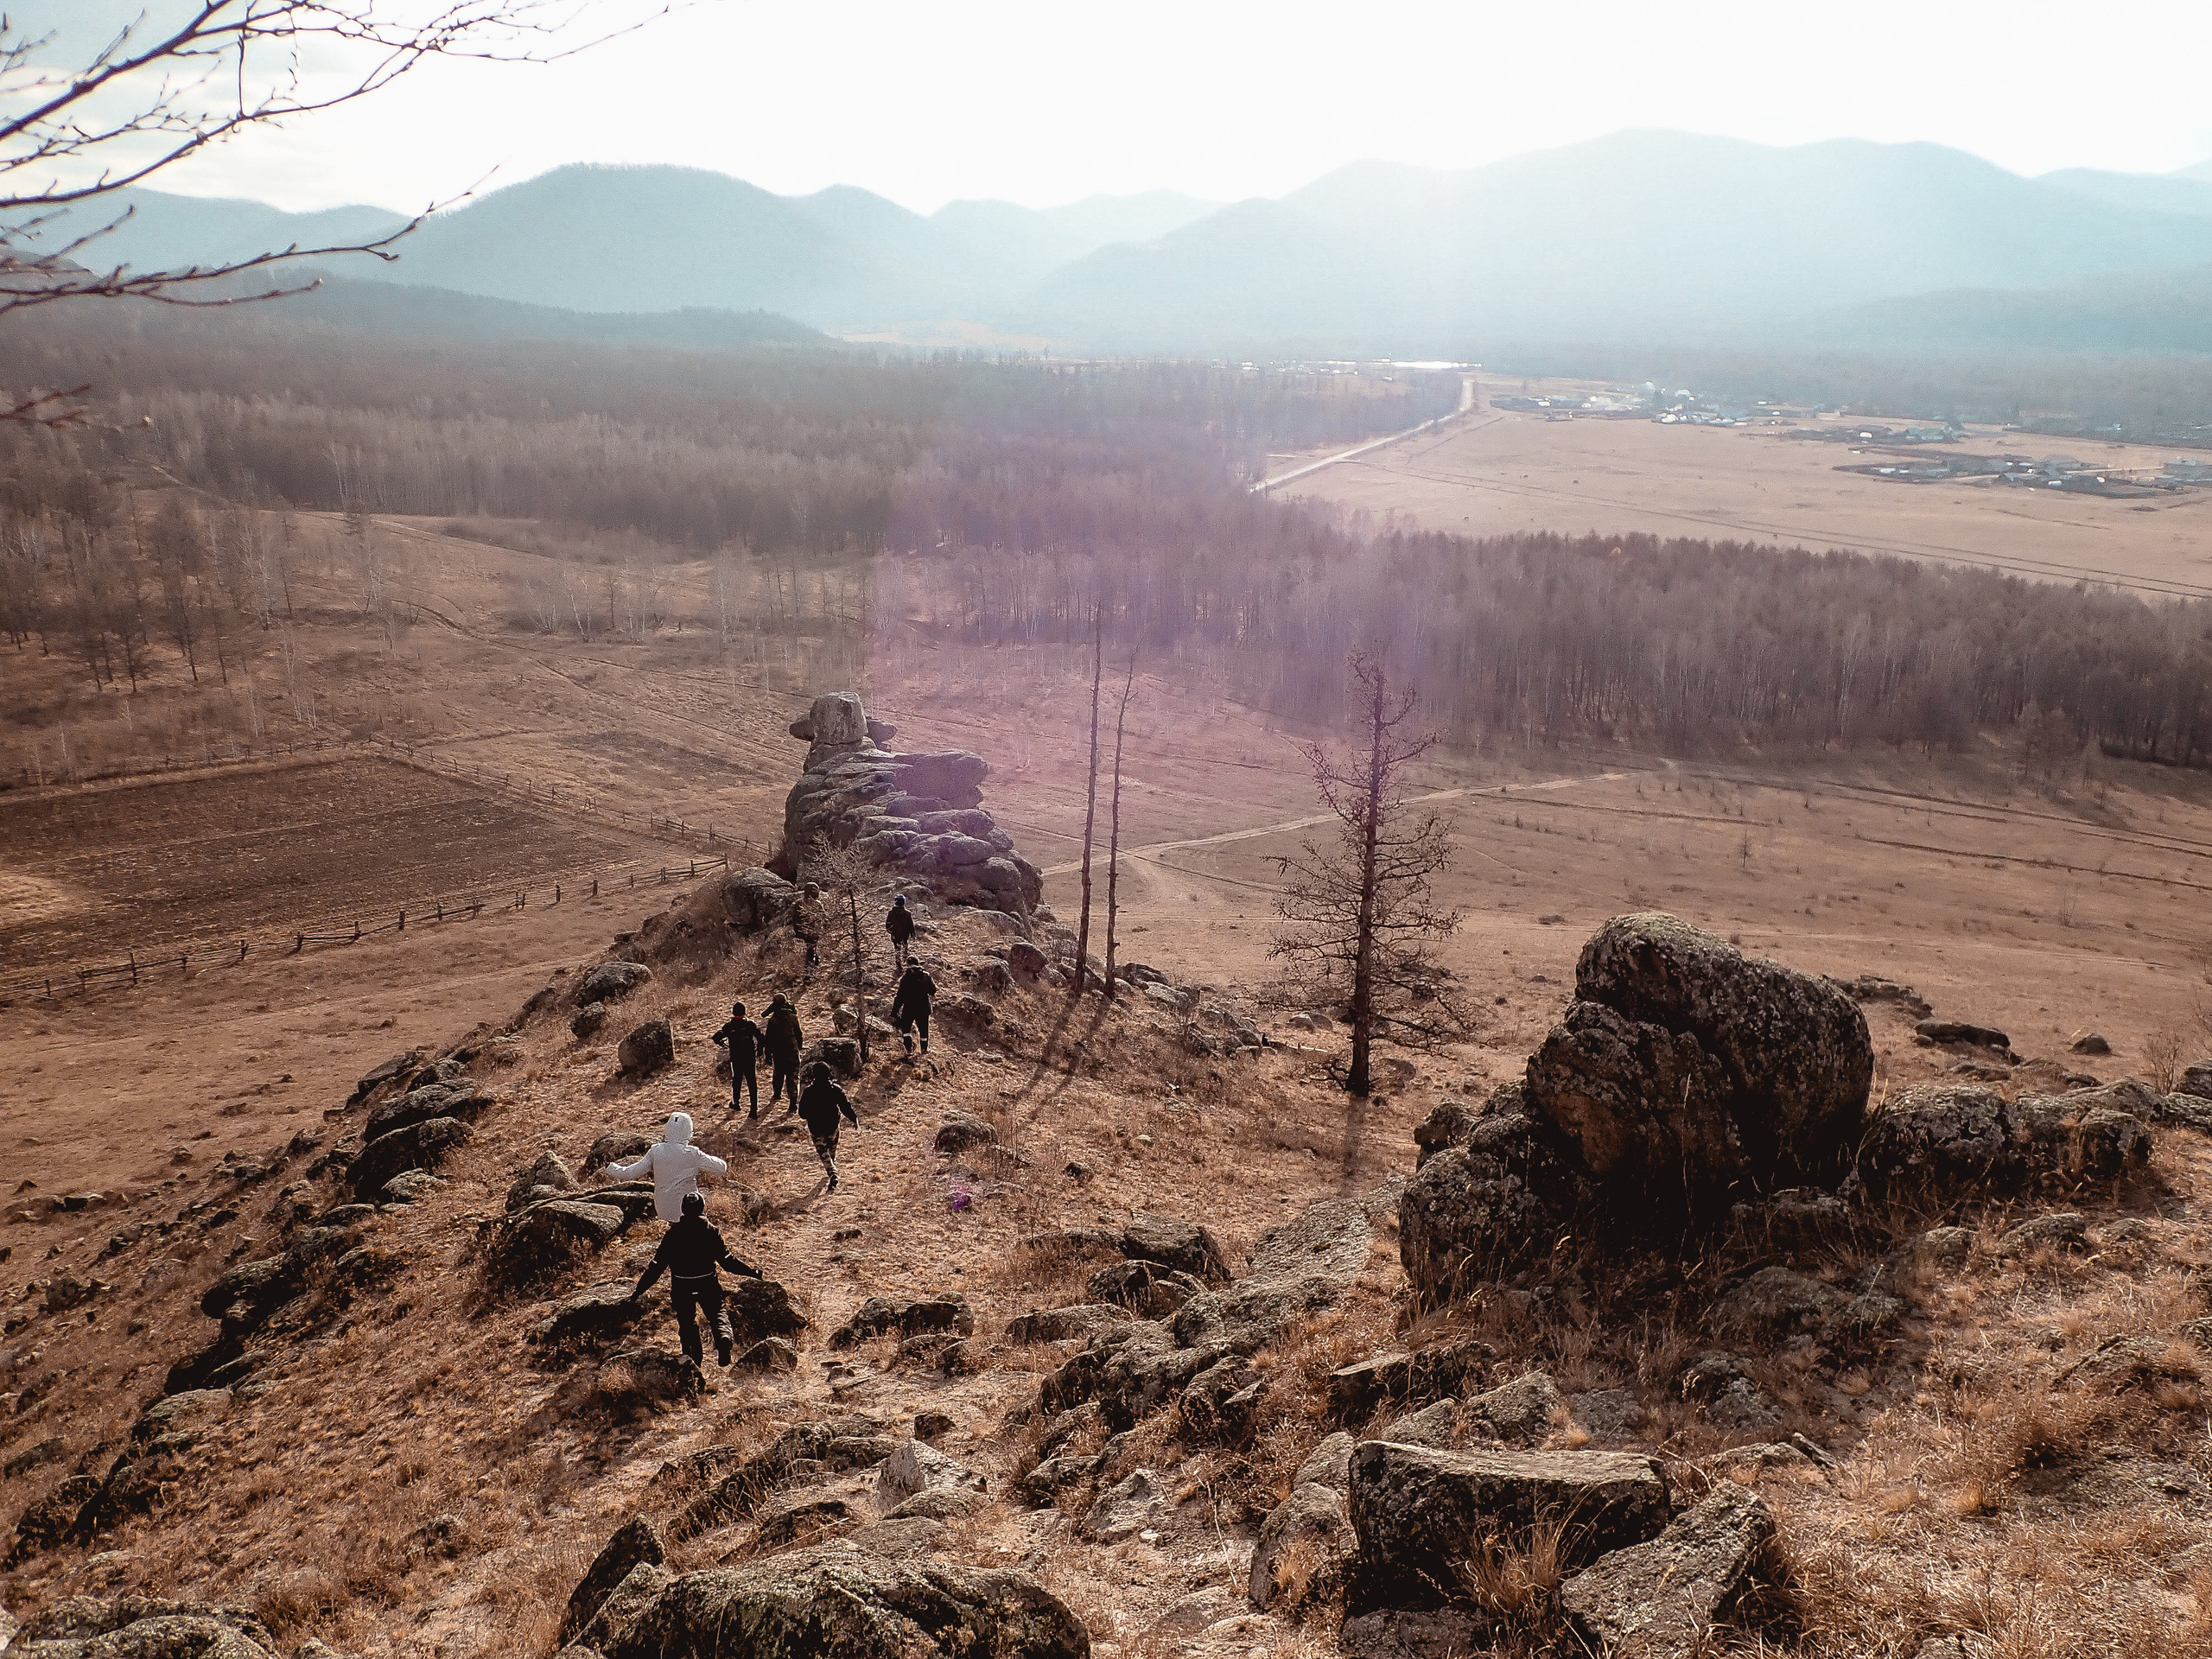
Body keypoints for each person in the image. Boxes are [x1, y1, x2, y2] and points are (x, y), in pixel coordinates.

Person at [629, 1191, 762, 1368]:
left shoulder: (673, 1234)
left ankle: (693, 1365)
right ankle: (723, 1337)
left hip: (682, 1284)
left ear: (683, 1210)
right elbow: (728, 1262)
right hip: (707, 1281)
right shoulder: (710, 1230)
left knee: (687, 1324)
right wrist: (751, 1272)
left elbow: (656, 1267)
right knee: (717, 1313)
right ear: (702, 1208)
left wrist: (639, 1290)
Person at [607, 1110, 728, 1223]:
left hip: (663, 1209)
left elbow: (630, 1173)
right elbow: (721, 1168)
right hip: (688, 1209)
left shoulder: (656, 1151)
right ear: (688, 1132)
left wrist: (611, 1168)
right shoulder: (692, 1153)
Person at [796, 1060, 860, 1190]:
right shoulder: (835, 1089)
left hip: (816, 1127)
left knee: (822, 1152)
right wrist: (854, 1119)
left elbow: (802, 1113)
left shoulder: (808, 1092)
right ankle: (832, 1168)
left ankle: (832, 1172)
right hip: (833, 1125)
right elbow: (845, 1106)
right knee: (831, 1150)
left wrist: (811, 1115)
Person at [711, 1000, 765, 1118]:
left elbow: (715, 1037)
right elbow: (761, 1037)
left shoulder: (729, 1026)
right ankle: (753, 1110)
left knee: (737, 1080)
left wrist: (722, 1043)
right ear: (745, 1013)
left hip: (736, 1058)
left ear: (733, 1013)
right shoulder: (750, 1024)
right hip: (749, 1057)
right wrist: (759, 1052)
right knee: (752, 1083)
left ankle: (736, 1104)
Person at [764, 992, 804, 1111]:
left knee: (778, 1073)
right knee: (793, 1075)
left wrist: (767, 1054)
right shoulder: (793, 1018)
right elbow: (799, 1035)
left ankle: (777, 1094)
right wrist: (799, 1047)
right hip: (791, 1049)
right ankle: (793, 1103)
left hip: (778, 1051)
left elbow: (768, 1039)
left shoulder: (773, 1021)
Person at [890, 959, 937, 1058]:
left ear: (908, 964)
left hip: (909, 1008)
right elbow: (933, 991)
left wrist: (894, 1012)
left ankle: (909, 1050)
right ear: (918, 963)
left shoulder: (905, 978)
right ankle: (924, 1050)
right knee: (924, 1030)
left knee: (906, 1030)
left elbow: (900, 997)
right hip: (923, 1007)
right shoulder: (926, 976)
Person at [791, 882, 824, 969]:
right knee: (811, 949)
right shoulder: (817, 903)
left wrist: (797, 932)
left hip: (802, 931)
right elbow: (823, 918)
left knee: (811, 948)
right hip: (814, 932)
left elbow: (794, 919)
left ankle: (816, 960)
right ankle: (808, 972)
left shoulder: (798, 903)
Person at [884, 893, 917, 969]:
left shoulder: (891, 913)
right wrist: (912, 934)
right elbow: (911, 926)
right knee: (905, 948)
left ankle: (898, 965)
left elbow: (888, 925)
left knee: (897, 949)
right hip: (905, 935)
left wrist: (892, 932)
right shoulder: (907, 913)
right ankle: (907, 963)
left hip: (895, 935)